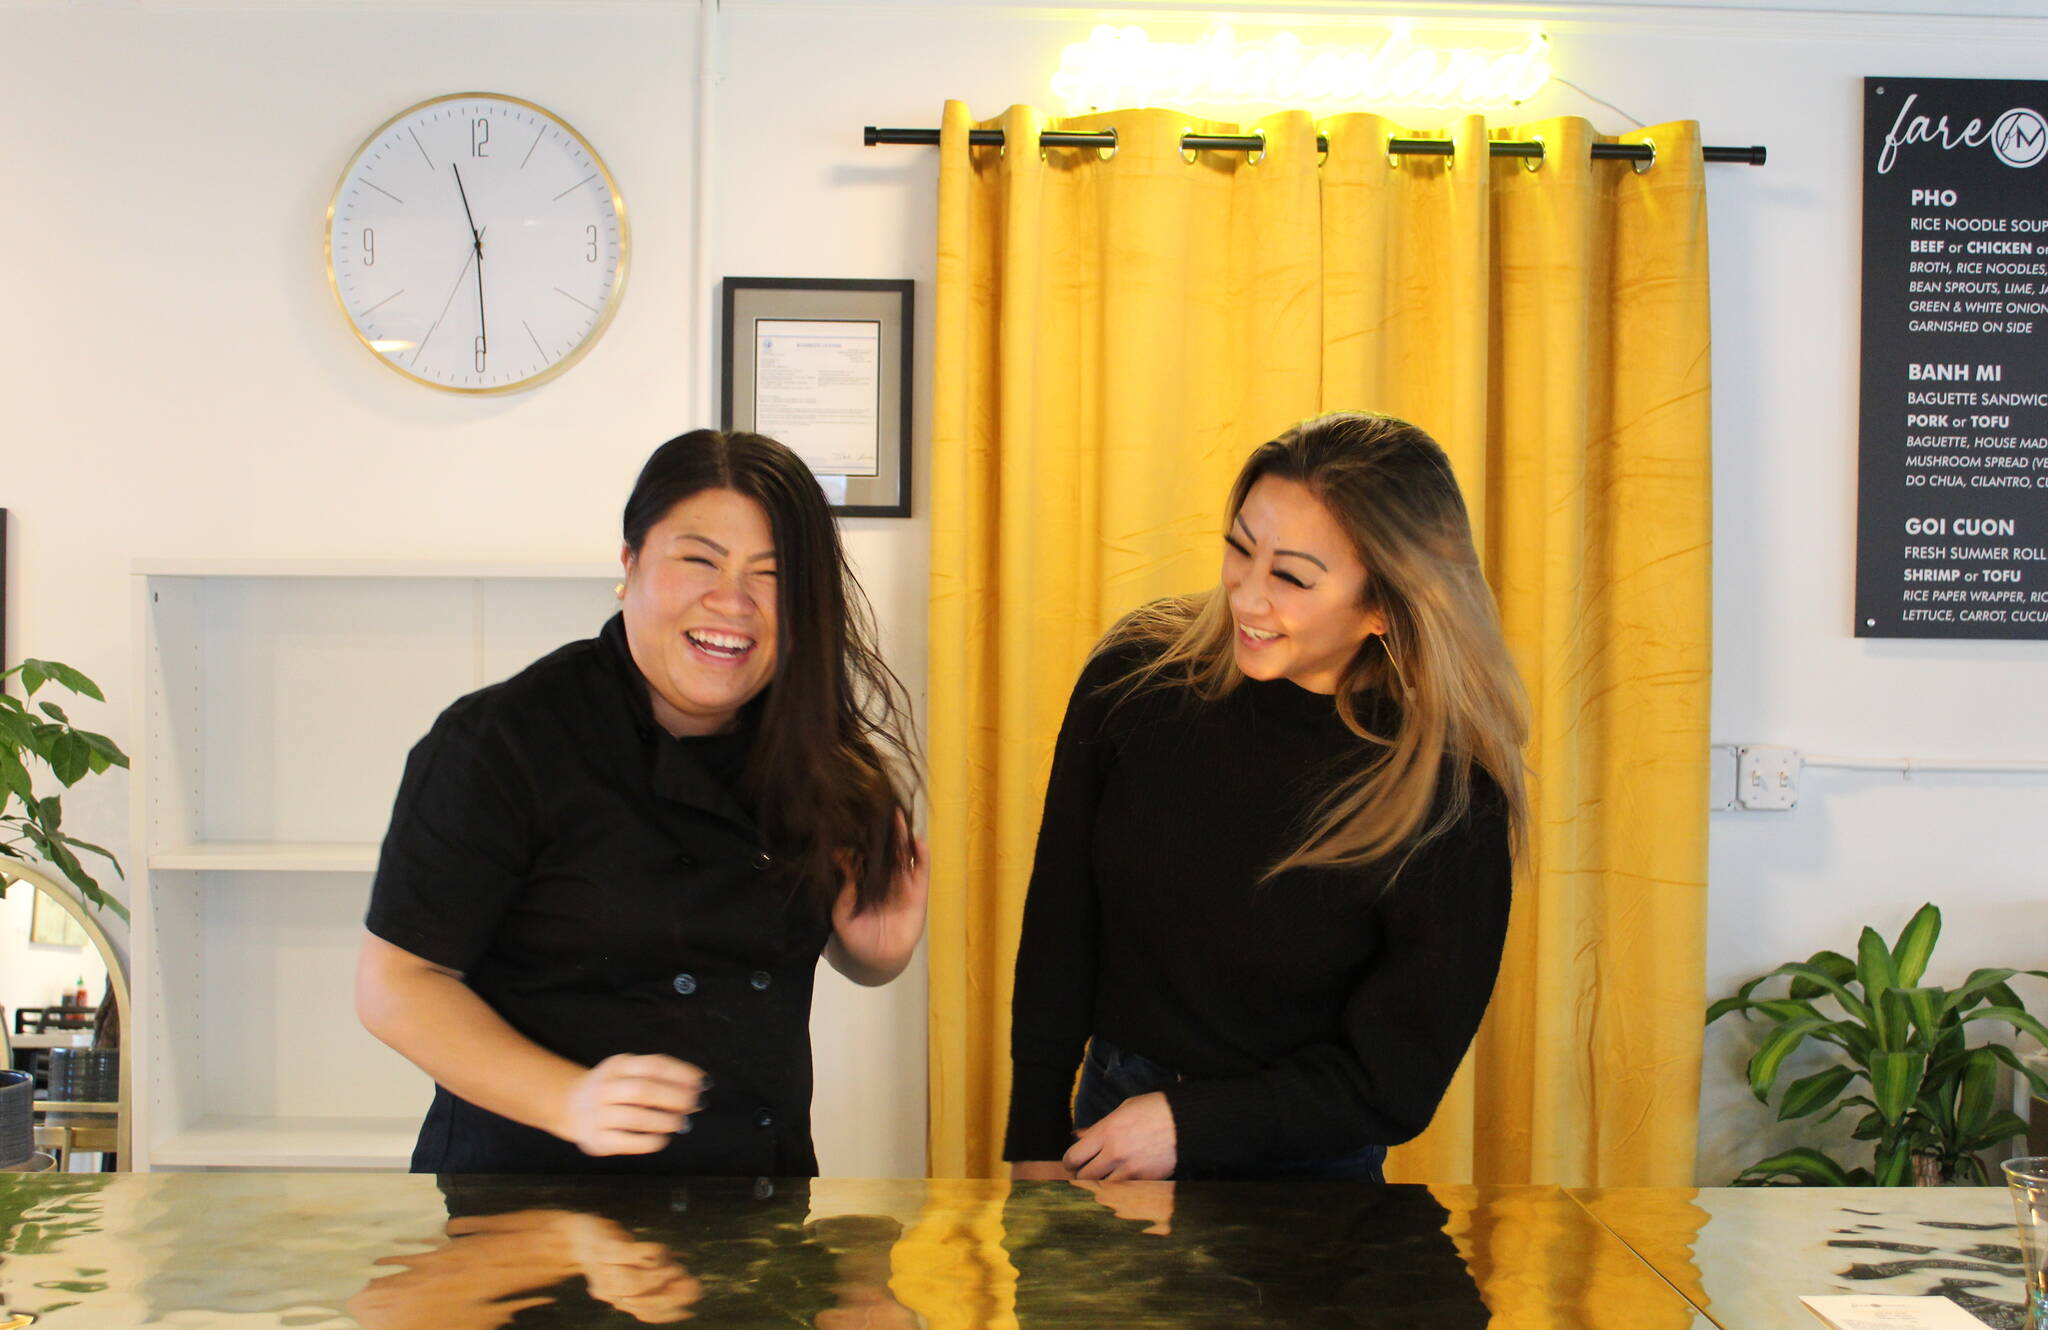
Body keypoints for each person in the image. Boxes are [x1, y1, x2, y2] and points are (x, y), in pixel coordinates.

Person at [356, 429, 927, 1175]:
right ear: (630, 564)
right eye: (699, 560)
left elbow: (807, 957)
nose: (733, 601)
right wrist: (569, 1099)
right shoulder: (502, 741)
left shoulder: (816, 754)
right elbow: (396, 984)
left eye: (774, 573)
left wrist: (873, 953)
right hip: (533, 1211)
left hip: (756, 1208)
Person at [1004, 412, 1529, 1182]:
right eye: (1238, 549)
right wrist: (1036, 1137)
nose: (1247, 597)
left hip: (1306, 1174)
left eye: (1290, 576)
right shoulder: (1136, 679)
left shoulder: (1448, 793)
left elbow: (1396, 1081)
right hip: (1111, 1126)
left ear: (1384, 603)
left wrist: (1188, 1124)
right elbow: (1060, 920)